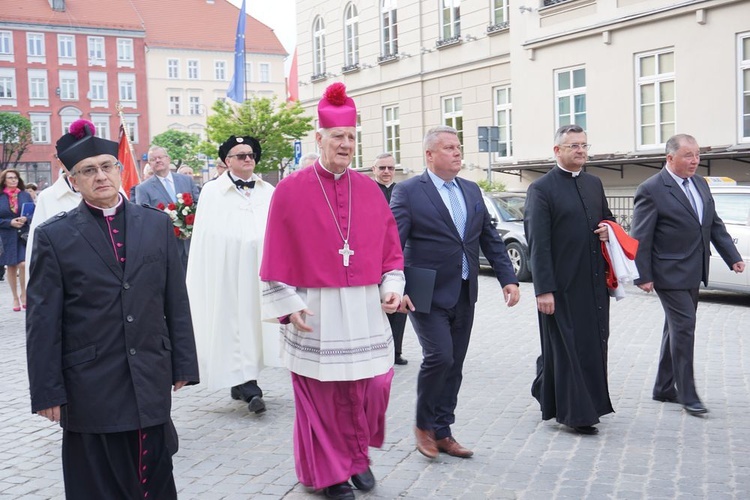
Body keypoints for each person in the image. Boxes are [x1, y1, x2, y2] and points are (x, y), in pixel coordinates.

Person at [25, 119, 199, 499]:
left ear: (120, 169)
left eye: (107, 166)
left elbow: (175, 300)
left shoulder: (155, 225)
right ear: (73, 180)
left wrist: (184, 361)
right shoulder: (54, 236)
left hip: (149, 371)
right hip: (90, 382)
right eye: (88, 171)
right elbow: (42, 320)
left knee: (153, 473)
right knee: (98, 481)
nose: (100, 176)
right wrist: (47, 390)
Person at [260, 82, 404, 500]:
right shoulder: (290, 190)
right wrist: (288, 306)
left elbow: (391, 251)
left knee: (371, 386)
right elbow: (275, 253)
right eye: (337, 137)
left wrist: (393, 286)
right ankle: (331, 474)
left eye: (351, 137)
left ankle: (356, 457)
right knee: (323, 396)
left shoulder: (370, 190)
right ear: (318, 138)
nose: (345, 144)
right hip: (315, 306)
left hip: (363, 307)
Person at [391, 126, 520, 459]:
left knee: (456, 363)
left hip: (464, 290)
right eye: (448, 148)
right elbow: (393, 242)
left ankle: (443, 431)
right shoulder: (408, 191)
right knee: (440, 357)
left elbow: (488, 237)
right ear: (430, 155)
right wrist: (395, 284)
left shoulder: (472, 190)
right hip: (425, 292)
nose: (457, 153)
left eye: (458, 147)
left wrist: (508, 278)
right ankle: (424, 427)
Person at [630, 133, 745, 416]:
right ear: (670, 158)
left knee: (675, 328)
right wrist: (642, 275)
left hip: (695, 270)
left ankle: (663, 387)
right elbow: (640, 236)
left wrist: (733, 257)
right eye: (688, 156)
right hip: (668, 272)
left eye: (697, 156)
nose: (695, 161)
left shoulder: (700, 184)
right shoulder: (652, 189)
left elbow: (713, 224)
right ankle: (688, 393)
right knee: (684, 328)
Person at [523, 124, 615, 436]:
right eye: (574, 145)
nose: (580, 151)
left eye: (584, 145)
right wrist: (544, 290)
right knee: (567, 346)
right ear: (557, 151)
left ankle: (548, 387)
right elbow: (538, 243)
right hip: (560, 286)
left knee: (590, 344)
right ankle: (577, 414)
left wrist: (607, 229)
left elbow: (609, 220)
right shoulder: (542, 189)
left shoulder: (594, 183)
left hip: (592, 283)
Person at [186, 135, 276, 414]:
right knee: (235, 323)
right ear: (227, 162)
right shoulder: (213, 192)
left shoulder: (268, 190)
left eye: (250, 154)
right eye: (240, 156)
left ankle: (243, 382)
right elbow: (208, 235)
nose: (247, 159)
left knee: (255, 323)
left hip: (261, 271)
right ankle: (249, 386)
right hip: (228, 271)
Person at [135, 146, 200, 269]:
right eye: (153, 159)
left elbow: (199, 206)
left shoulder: (186, 180)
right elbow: (143, 219)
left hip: (191, 243)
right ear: (149, 164)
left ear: (168, 159)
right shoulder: (143, 189)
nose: (158, 161)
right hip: (165, 246)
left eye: (161, 157)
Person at [372, 152, 408, 366]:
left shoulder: (401, 192)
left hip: (399, 255)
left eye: (390, 168)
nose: (386, 172)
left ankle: (396, 351)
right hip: (375, 255)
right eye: (382, 168)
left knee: (399, 303)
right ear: (374, 169)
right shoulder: (368, 191)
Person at [25, 153, 83, 274]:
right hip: (65, 274)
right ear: (61, 163)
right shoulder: (48, 197)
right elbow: (35, 245)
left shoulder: (112, 190)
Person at [0, 168, 33, 311]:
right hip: (6, 236)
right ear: (4, 180)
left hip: (22, 235)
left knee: (24, 264)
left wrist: (26, 219)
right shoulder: (0, 197)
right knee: (11, 266)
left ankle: (24, 295)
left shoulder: (25, 195)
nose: (13, 180)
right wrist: (9, 223)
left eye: (15, 177)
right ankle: (15, 297)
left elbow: (34, 212)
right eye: (10, 178)